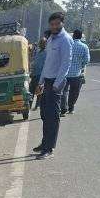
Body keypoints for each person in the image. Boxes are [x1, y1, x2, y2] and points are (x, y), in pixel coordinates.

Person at [33, 12, 74, 159]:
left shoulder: (65, 40)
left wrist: (57, 84)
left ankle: (49, 148)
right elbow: (47, 63)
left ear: (62, 23)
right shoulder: (50, 39)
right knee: (44, 114)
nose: (55, 26)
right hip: (47, 81)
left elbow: (66, 64)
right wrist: (40, 82)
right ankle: (44, 143)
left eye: (57, 24)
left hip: (56, 82)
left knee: (53, 116)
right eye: (52, 24)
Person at [61, 29, 91, 116]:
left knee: (64, 91)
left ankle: (63, 109)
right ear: (81, 37)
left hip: (65, 73)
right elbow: (87, 60)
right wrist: (81, 65)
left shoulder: (68, 45)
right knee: (74, 92)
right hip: (77, 74)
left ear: (73, 36)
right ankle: (71, 108)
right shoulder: (84, 47)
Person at [31, 37, 48, 110]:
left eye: (43, 43)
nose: (41, 44)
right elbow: (34, 62)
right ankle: (30, 105)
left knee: (39, 91)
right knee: (31, 90)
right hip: (35, 74)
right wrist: (32, 72)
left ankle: (37, 105)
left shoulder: (47, 53)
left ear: (46, 44)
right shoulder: (38, 52)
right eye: (40, 43)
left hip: (41, 75)